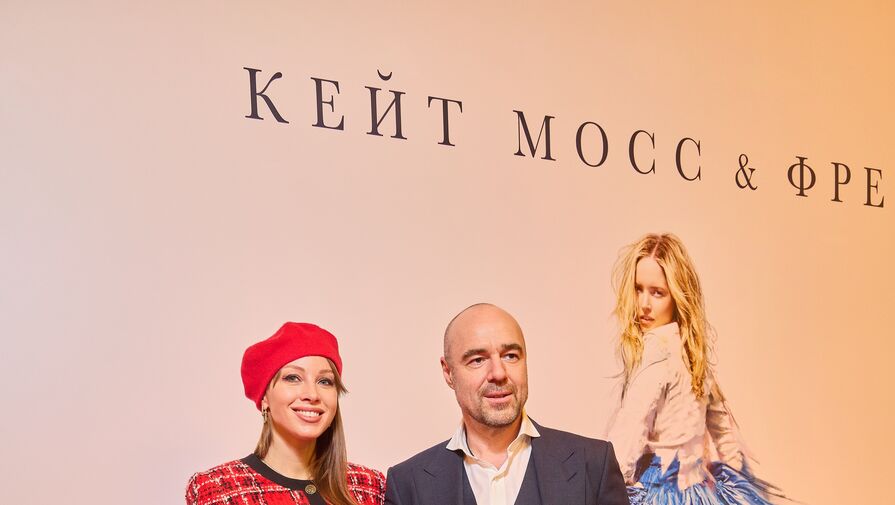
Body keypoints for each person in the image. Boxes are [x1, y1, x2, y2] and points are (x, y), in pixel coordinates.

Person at [385, 303, 628, 505]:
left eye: (510, 356)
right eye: (478, 360)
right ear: (448, 373)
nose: (499, 373)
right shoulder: (407, 485)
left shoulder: (593, 464)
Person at [606, 233, 783, 504]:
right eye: (638, 289)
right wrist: (739, 488)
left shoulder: (656, 355)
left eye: (657, 293)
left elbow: (628, 436)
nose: (644, 304)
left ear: (678, 296)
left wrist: (607, 486)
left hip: (659, 492)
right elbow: (725, 434)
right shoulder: (693, 356)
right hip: (698, 493)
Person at [186, 322, 386, 505]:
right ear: (265, 397)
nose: (312, 394)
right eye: (293, 378)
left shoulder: (370, 486)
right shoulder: (218, 489)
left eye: (325, 381)